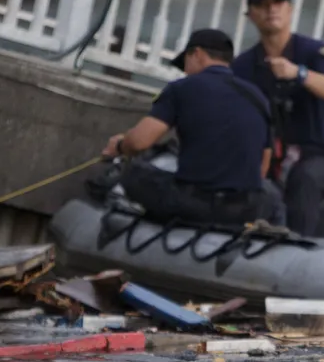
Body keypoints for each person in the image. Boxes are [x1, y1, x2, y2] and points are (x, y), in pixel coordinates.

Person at [102, 28, 276, 226]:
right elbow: (263, 166)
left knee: (133, 174)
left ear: (197, 54)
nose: (184, 71)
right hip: (245, 209)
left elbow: (139, 142)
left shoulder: (181, 88)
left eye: (185, 63)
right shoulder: (258, 97)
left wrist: (119, 146)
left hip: (194, 203)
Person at [232, 0, 324, 237]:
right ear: (250, 14)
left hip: (313, 156)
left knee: (304, 179)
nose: (271, 9)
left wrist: (300, 73)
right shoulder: (243, 66)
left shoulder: (315, 52)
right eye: (262, 5)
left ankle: (296, 246)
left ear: (290, 9)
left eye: (278, 3)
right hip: (265, 156)